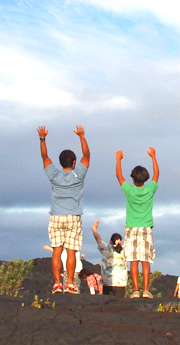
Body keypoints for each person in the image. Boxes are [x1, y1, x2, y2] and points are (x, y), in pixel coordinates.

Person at [37, 124, 90, 294]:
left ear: (60, 163)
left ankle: (57, 284)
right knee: (71, 251)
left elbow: (44, 156)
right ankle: (69, 284)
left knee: (57, 251)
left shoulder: (54, 175)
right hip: (73, 217)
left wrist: (42, 138)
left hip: (56, 217)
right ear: (74, 163)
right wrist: (81, 136)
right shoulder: (78, 174)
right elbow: (87, 155)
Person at [116, 148, 159, 299]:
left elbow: (119, 176)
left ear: (133, 179)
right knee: (145, 260)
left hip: (132, 228)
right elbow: (157, 174)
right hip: (146, 228)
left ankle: (135, 290)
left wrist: (119, 159)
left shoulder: (129, 191)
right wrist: (153, 157)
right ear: (145, 178)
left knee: (133, 260)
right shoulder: (150, 190)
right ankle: (146, 290)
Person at [91, 220, 128, 298]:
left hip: (108, 282)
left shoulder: (106, 249)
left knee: (108, 305)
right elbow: (128, 241)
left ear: (111, 241)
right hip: (121, 283)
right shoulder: (124, 250)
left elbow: (98, 239)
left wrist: (94, 229)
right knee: (119, 305)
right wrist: (127, 231)